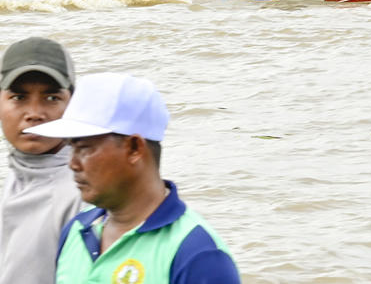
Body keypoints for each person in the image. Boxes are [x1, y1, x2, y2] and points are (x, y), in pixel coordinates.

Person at [24, 73, 239, 283]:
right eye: (71, 148)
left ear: (134, 148)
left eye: (85, 149)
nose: (73, 163)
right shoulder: (77, 230)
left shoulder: (196, 254)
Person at [0, 37, 83, 284]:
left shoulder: (81, 193)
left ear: (75, 105)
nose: (35, 114)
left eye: (51, 98)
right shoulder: (16, 177)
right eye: (19, 97)